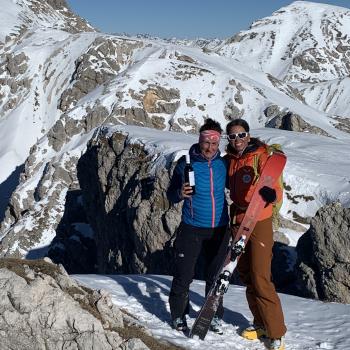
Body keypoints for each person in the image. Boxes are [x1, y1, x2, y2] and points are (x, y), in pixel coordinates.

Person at [224, 118, 287, 350]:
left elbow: (275, 186)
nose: (237, 140)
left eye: (241, 135)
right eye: (232, 136)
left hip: (259, 219)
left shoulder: (261, 155)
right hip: (238, 221)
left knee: (261, 276)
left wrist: (272, 195)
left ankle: (276, 332)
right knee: (247, 275)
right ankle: (260, 323)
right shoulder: (229, 160)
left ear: (248, 136)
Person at [167, 118, 229, 334]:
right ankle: (178, 315)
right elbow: (171, 194)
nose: (210, 148)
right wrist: (179, 193)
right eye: (206, 143)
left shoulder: (224, 163)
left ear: (218, 144)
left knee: (216, 277)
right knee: (184, 275)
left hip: (220, 228)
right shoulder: (186, 164)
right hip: (192, 227)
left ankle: (212, 316)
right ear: (199, 141)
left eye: (214, 144)